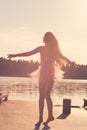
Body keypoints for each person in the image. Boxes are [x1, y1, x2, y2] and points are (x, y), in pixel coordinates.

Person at [8, 32, 73, 126]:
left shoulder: (51, 50)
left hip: (49, 74)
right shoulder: (43, 49)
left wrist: (71, 63)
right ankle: (43, 117)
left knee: (45, 95)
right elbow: (28, 53)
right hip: (44, 73)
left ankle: (47, 116)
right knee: (43, 96)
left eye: (45, 37)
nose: (44, 39)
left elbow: (63, 58)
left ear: (48, 39)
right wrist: (15, 55)